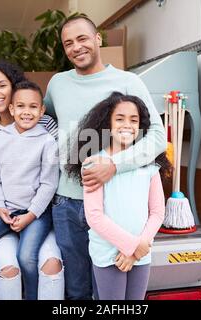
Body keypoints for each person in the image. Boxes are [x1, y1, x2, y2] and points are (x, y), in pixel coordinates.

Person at [44, 15, 167, 299]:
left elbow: (158, 137)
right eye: (68, 43)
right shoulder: (57, 84)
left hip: (114, 208)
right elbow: (42, 120)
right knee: (76, 291)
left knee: (110, 292)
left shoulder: (128, 82)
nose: (76, 47)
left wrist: (113, 165)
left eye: (82, 38)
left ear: (98, 39)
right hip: (67, 205)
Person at [0, 61, 64, 300]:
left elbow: (50, 181)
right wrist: (0, 207)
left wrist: (31, 214)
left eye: (1, 85)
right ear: (12, 108)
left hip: (36, 211)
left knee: (26, 256)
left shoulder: (46, 134)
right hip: (1, 208)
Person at [66, 92, 169, 300]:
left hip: (141, 254)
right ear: (108, 123)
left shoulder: (149, 164)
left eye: (134, 120)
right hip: (108, 254)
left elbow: (157, 212)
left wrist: (137, 249)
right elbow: (94, 216)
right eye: (119, 119)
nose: (127, 125)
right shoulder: (94, 164)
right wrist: (131, 247)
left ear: (141, 127)